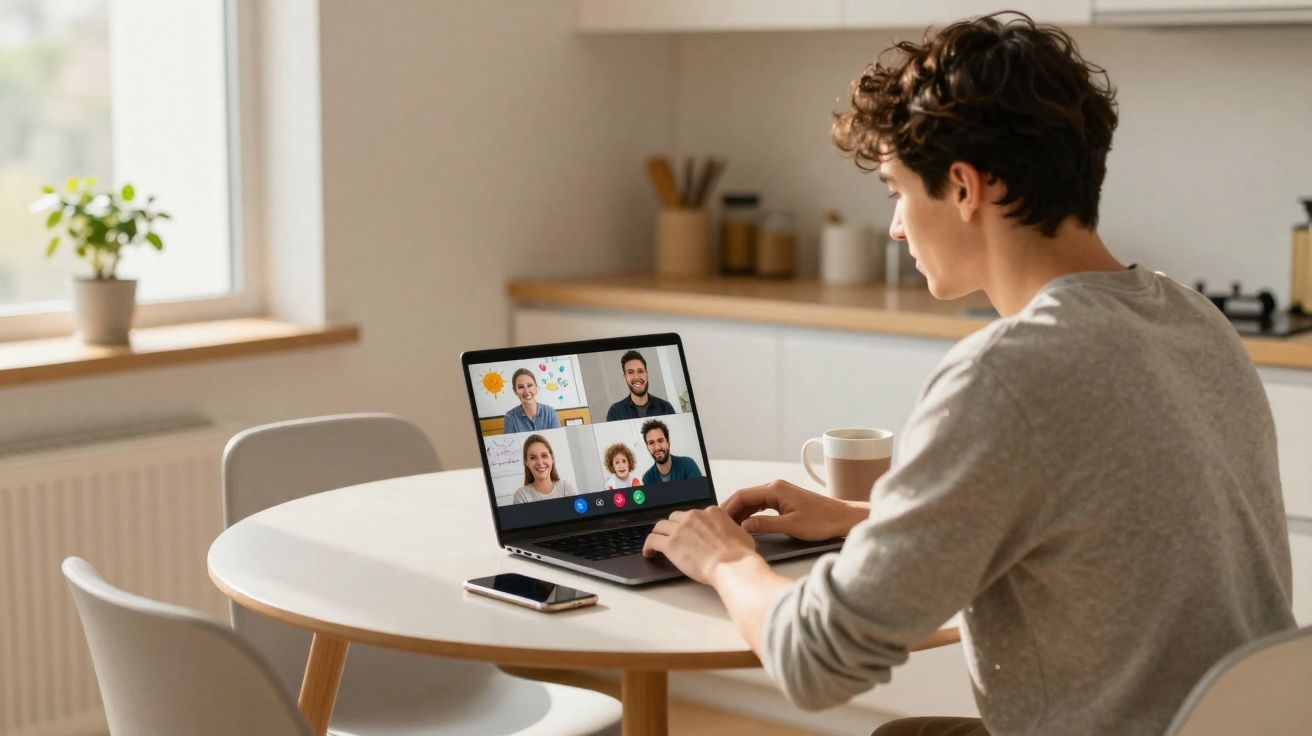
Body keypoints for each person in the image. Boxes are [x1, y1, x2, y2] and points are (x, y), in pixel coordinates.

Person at [641, 12, 1293, 736]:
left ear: (961, 188)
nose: (894, 226)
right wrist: (866, 521)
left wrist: (724, 557)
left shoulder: (1008, 374)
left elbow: (815, 660)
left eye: (895, 189)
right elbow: (1109, 530)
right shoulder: (1192, 319)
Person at [605, 350, 676, 421]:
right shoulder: (615, 413)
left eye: (640, 371)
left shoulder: (666, 407)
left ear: (646, 374)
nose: (637, 377)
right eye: (630, 372)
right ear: (625, 377)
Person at [511, 434, 576, 504]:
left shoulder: (566, 488)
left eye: (544, 456)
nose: (540, 462)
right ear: (526, 462)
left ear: (552, 459)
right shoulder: (521, 496)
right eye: (533, 458)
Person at [639, 419, 702, 485]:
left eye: (660, 441)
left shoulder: (688, 465)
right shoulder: (647, 479)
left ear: (668, 442)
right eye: (651, 443)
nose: (657, 447)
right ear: (647, 447)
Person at [502, 368, 559, 433]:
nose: (526, 391)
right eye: (520, 387)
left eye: (529, 385)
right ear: (515, 391)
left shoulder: (550, 413)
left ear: (536, 388)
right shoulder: (510, 417)